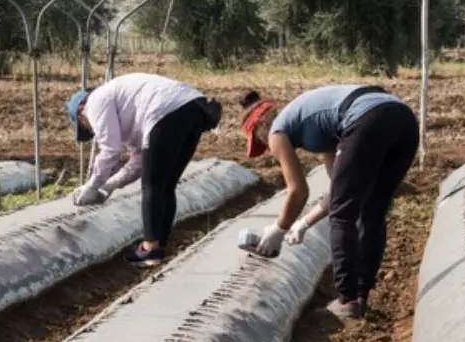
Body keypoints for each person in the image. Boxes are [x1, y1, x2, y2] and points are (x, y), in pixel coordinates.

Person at [238, 84, 419, 320]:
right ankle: (360, 295)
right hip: (402, 119)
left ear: (261, 125)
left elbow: (298, 190)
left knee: (343, 217)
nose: (266, 148)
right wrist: (303, 223)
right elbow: (338, 191)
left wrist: (278, 229)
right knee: (372, 212)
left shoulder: (277, 132)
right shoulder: (318, 125)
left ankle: (347, 300)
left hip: (367, 118)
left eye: (259, 141)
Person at [65, 72, 222, 268]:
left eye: (84, 125)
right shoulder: (126, 110)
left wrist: (92, 185)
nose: (91, 130)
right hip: (192, 109)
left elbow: (110, 150)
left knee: (152, 185)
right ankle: (159, 246)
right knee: (166, 185)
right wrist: (109, 185)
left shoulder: (95, 102)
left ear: (81, 111)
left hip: (165, 110)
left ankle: (150, 248)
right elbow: (139, 161)